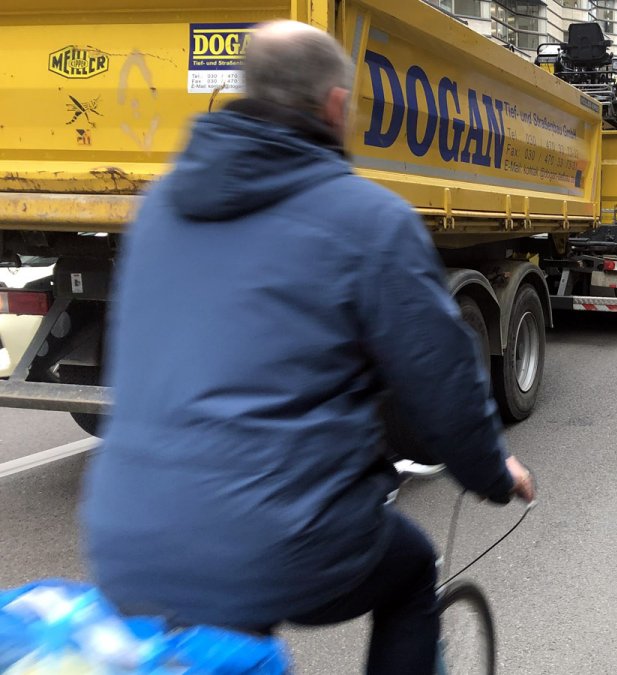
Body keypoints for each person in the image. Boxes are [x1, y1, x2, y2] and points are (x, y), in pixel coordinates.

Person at [80, 20, 534, 674]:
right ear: (336, 106)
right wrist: (494, 470)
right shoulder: (370, 220)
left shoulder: (158, 209)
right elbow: (441, 386)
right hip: (278, 539)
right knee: (409, 572)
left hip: (125, 529)